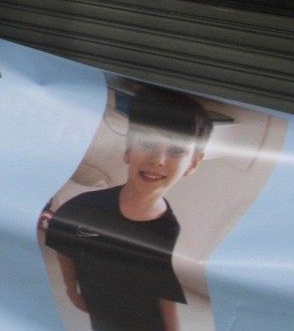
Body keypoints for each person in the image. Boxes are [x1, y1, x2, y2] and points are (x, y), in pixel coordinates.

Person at [42, 87, 213, 331]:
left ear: (192, 164)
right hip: (102, 313)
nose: (158, 160)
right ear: (128, 150)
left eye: (176, 151)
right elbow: (64, 245)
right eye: (148, 144)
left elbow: (162, 285)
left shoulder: (167, 226)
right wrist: (71, 288)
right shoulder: (85, 207)